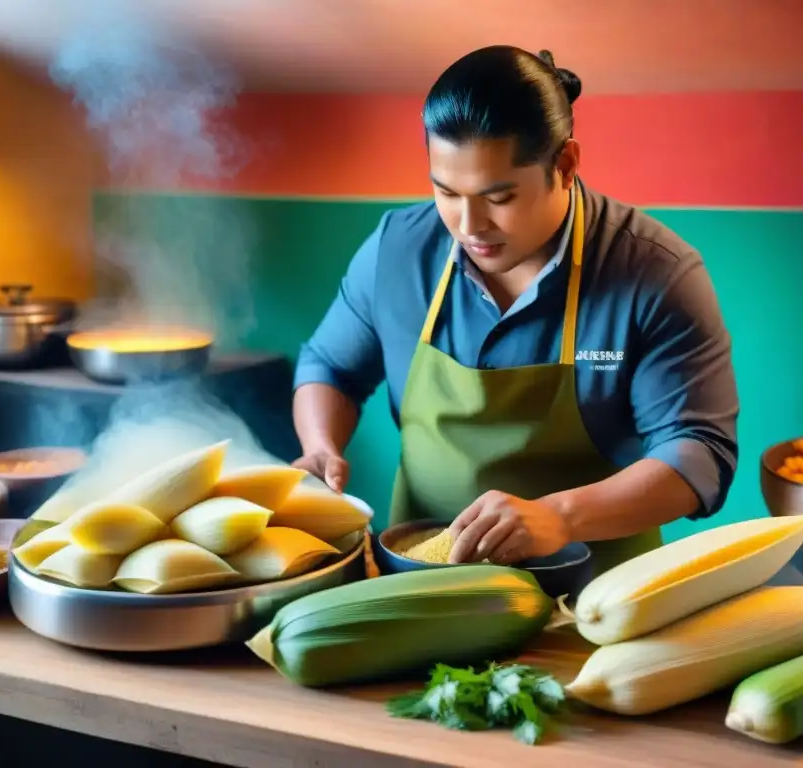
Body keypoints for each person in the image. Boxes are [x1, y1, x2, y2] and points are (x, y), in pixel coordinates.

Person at [291, 45, 739, 574]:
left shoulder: (656, 273)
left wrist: (562, 517)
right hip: (419, 586)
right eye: (446, 192)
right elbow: (330, 367)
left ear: (566, 165)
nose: (469, 224)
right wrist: (321, 446)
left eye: (498, 197)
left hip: (595, 598)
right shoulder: (397, 250)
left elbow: (699, 454)